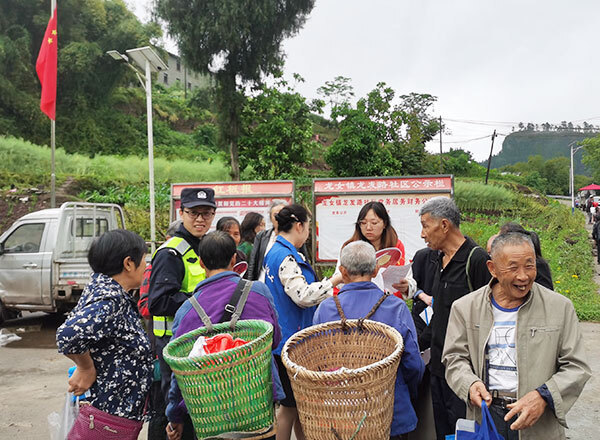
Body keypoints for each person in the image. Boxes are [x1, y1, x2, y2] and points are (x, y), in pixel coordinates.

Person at [443, 232, 591, 440]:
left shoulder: (559, 307)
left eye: (529, 266)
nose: (523, 276)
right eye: (513, 267)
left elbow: (577, 366)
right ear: (492, 269)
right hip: (487, 414)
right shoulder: (465, 308)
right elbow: (454, 358)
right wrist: (469, 384)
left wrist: (543, 396)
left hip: (536, 417)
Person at [165, 231, 283, 440]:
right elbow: (274, 340)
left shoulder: (186, 311)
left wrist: (175, 416)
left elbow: (179, 371)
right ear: (234, 259)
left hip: (210, 412)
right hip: (257, 406)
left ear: (201, 263)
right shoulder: (258, 291)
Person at [313, 241, 425, 440]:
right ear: (375, 271)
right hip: (390, 411)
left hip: (340, 415)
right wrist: (406, 391)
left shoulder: (326, 310)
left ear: (342, 272)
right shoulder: (395, 307)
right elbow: (413, 364)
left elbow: (317, 363)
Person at [56, 229, 152, 432]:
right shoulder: (111, 300)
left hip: (114, 413)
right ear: (128, 263)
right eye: (143, 260)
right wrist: (85, 367)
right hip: (109, 417)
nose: (146, 266)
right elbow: (68, 336)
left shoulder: (105, 289)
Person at [263, 204, 343, 440]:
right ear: (299, 226)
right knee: (289, 408)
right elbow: (303, 296)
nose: (308, 233)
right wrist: (335, 280)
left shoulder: (274, 251)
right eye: (308, 227)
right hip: (291, 342)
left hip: (284, 339)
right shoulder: (285, 257)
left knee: (298, 407)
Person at [418, 196, 492, 440]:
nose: (422, 234)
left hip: (466, 374)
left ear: (445, 225)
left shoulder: (476, 260)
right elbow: (439, 314)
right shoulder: (437, 260)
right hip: (439, 368)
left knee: (465, 432)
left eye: (426, 225)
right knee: (444, 432)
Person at [147, 187, 216, 438]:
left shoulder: (202, 246)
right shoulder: (171, 252)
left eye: (206, 213)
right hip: (172, 346)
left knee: (195, 410)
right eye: (194, 213)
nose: (200, 219)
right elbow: (158, 302)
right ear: (182, 212)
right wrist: (202, 301)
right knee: (175, 412)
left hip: (195, 343)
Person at [139, 219, 181, 440]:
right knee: (160, 406)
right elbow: (146, 305)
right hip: (159, 344)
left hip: (166, 343)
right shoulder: (162, 262)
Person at [333, 201, 416, 298]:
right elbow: (338, 282)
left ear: (384, 223)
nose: (368, 227)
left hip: (388, 304)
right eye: (363, 223)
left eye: (374, 223)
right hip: (356, 301)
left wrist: (406, 287)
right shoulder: (350, 248)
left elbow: (411, 283)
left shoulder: (396, 247)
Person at [487, 222, 553, 290]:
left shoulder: (539, 264)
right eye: (513, 268)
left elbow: (546, 292)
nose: (522, 277)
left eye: (528, 266)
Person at [247, 200, 286, 281]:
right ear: (271, 218)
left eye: (283, 214)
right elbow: (253, 263)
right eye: (276, 215)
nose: (279, 218)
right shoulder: (261, 237)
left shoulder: (295, 237)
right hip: (263, 284)